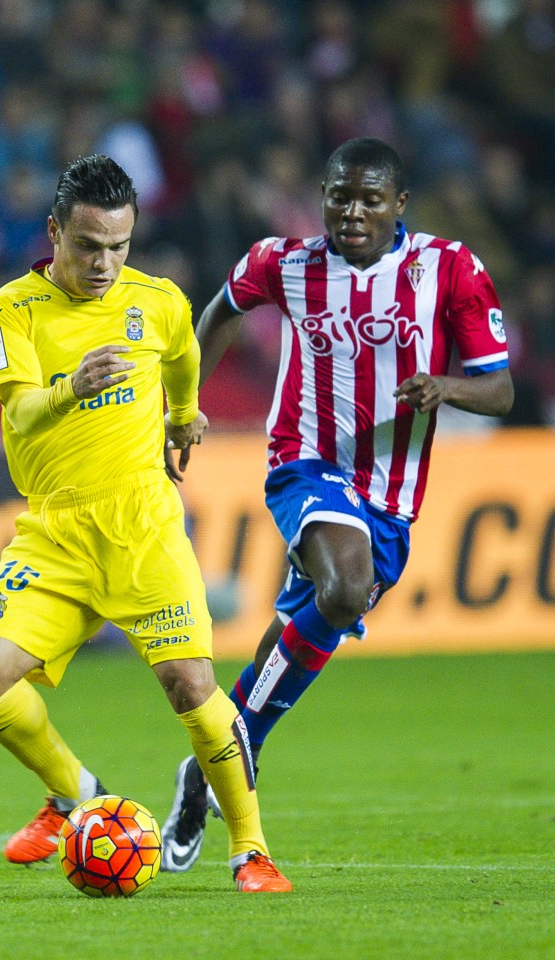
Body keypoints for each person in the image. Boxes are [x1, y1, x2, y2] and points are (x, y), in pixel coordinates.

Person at [160, 137, 514, 872]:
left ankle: (216, 760)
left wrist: (445, 388)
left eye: (369, 199)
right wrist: (182, 403)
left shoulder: (451, 269)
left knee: (306, 621)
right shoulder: (282, 263)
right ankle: (239, 750)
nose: (352, 212)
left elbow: (500, 389)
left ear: (400, 206)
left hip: (392, 494)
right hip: (305, 462)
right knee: (344, 587)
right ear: (323, 198)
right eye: (339, 197)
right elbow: (221, 310)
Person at [0, 154, 291, 893]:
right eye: (87, 246)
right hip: (55, 533)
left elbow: (183, 354)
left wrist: (186, 415)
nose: (104, 263)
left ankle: (251, 849)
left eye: (119, 246)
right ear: (54, 232)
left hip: (143, 525)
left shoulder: (159, 300)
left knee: (189, 683)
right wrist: (73, 386)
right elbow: (19, 409)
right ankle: (75, 790)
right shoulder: (6, 312)